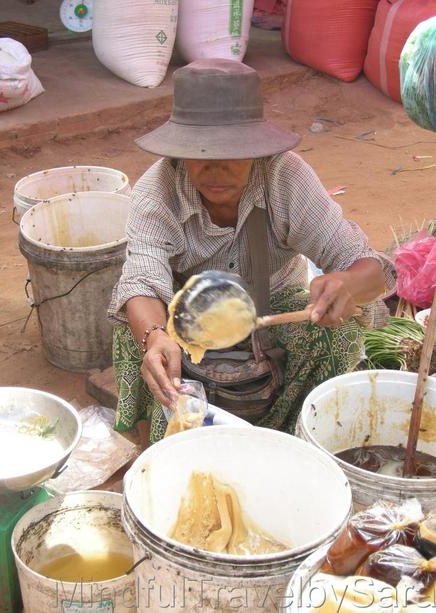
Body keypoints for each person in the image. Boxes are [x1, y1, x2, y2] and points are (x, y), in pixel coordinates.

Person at [108, 58, 392, 444]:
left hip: (275, 304)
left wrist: (345, 283)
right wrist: (156, 335)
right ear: (180, 150)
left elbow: (370, 268)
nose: (217, 169)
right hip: (186, 312)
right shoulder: (157, 191)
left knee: (338, 336)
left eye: (233, 152)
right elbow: (142, 278)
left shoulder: (285, 178)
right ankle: (172, 435)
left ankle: (299, 441)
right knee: (136, 332)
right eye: (202, 153)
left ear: (257, 149)